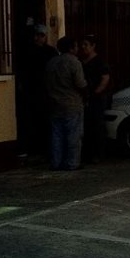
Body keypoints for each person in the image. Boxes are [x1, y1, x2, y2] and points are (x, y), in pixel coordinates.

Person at [45, 36, 87, 171]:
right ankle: (72, 162)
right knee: (73, 135)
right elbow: (80, 84)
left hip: (54, 103)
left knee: (56, 135)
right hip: (71, 103)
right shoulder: (74, 62)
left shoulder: (51, 62)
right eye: (76, 46)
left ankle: (56, 162)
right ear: (71, 48)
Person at [17, 25, 58, 156]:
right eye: (36, 35)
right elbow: (21, 69)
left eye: (41, 35)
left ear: (45, 37)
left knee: (44, 120)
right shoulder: (26, 50)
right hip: (30, 90)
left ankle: (43, 149)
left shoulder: (51, 52)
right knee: (30, 120)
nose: (37, 38)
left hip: (45, 91)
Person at [78, 35, 111, 163]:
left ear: (93, 46)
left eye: (86, 44)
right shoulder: (81, 62)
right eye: (82, 44)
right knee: (86, 126)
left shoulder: (99, 62)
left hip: (96, 98)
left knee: (97, 125)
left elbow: (105, 79)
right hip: (84, 98)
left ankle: (99, 153)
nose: (83, 47)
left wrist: (95, 93)